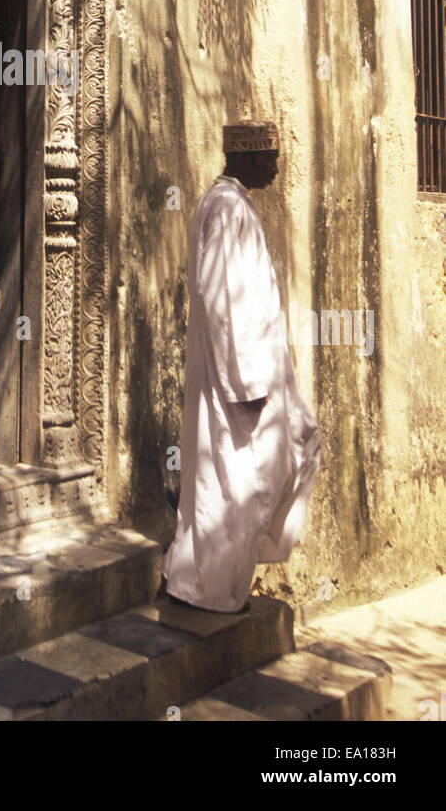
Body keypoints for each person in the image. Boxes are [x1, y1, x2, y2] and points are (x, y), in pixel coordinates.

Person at [161, 119, 321, 613]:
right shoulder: (227, 208)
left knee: (262, 466)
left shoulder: (231, 205)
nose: (275, 169)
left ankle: (212, 583)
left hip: (251, 373)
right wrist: (247, 382)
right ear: (247, 158)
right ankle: (203, 588)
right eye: (270, 159)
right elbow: (223, 297)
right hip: (242, 379)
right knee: (233, 482)